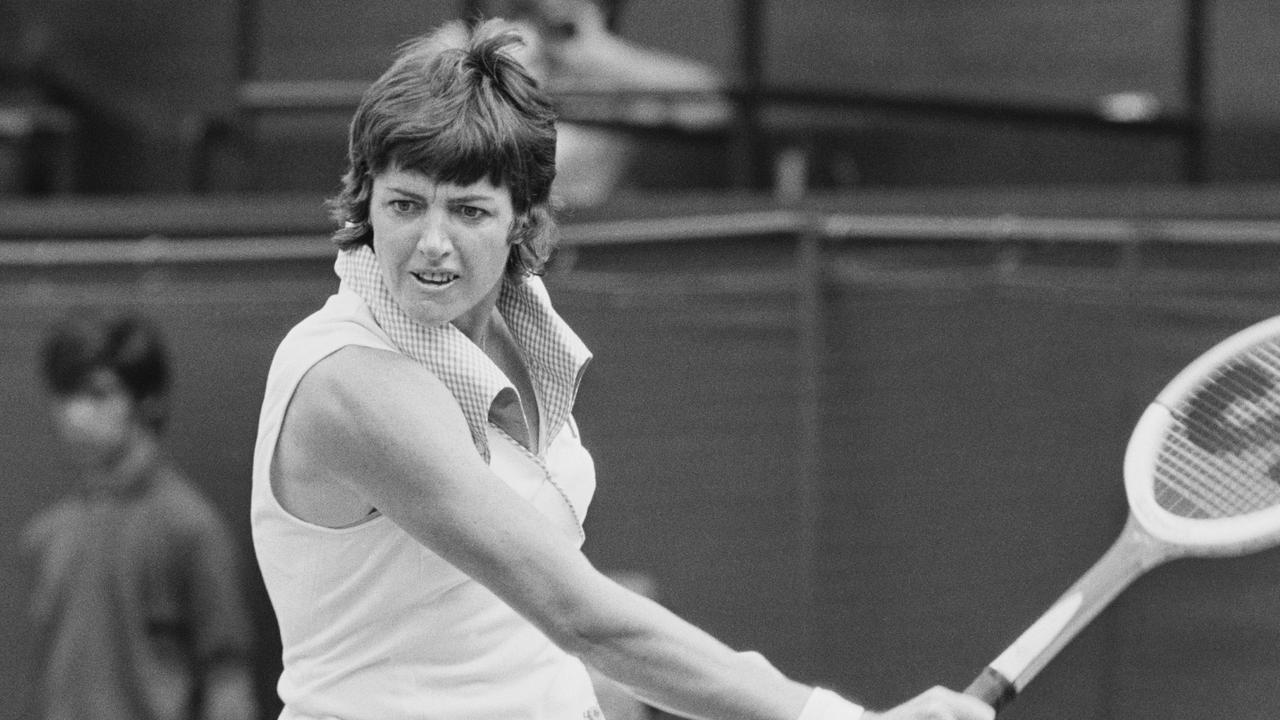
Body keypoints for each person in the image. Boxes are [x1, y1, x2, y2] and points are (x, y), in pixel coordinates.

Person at [251, 17, 994, 720]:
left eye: (469, 211)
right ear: (365, 203)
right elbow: (582, 617)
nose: (432, 243)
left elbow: (524, 629)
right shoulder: (350, 382)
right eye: (405, 204)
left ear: (524, 220)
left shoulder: (514, 324)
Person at [20, 312, 258, 720]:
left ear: (147, 401)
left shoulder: (190, 528)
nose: (77, 413)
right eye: (67, 395)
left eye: (98, 394)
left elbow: (229, 686)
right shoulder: (45, 536)